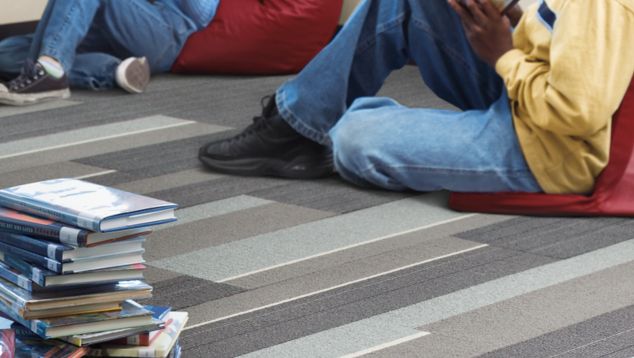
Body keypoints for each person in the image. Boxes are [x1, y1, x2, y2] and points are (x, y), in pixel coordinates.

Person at [198, 0, 634, 195]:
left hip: (555, 149)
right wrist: (514, 22)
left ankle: (333, 132)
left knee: (354, 138)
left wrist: (503, 55)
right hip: (527, 90)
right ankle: (295, 124)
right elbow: (560, 38)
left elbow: (577, 113)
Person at [0, 0, 219, 106]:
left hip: (164, 30)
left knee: (44, 51)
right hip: (104, 24)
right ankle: (113, 71)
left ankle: (51, 67)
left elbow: (201, 15)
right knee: (6, 53)